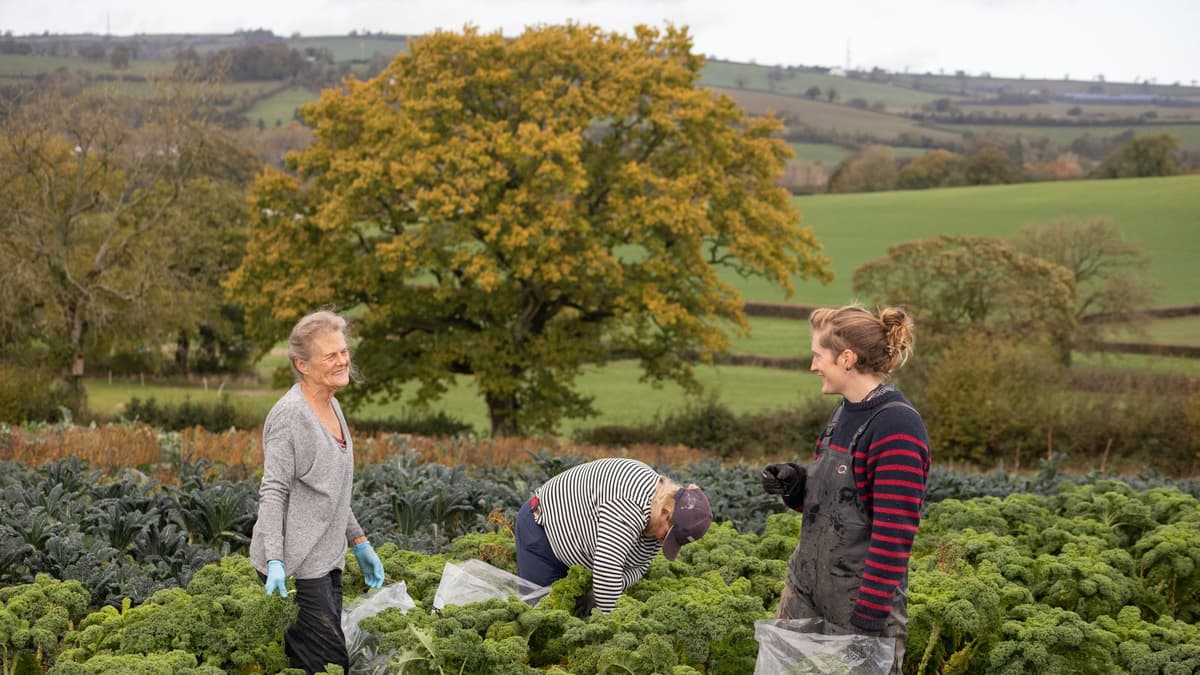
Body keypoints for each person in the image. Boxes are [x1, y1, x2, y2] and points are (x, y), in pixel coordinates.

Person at [760, 304, 930, 674]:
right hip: (806, 590)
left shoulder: (896, 426)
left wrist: (867, 622)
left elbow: (894, 533)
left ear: (847, 359)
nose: (813, 365)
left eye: (818, 356)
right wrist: (794, 483)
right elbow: (837, 506)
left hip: (862, 607)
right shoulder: (842, 413)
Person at [249, 310, 385, 674]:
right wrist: (276, 560)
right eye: (331, 355)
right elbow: (273, 491)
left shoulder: (333, 405)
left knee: (317, 662)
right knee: (328, 664)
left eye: (343, 352)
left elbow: (332, 490)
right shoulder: (290, 417)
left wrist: (359, 542)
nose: (342, 361)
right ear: (302, 364)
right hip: (295, 565)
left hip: (327, 559)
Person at [515, 457, 713, 615]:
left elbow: (639, 566)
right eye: (667, 536)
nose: (663, 542)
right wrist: (612, 622)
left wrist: (600, 593)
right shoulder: (630, 504)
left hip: (579, 551)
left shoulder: (656, 521)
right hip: (542, 532)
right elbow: (607, 567)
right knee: (542, 616)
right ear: (665, 514)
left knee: (573, 615)